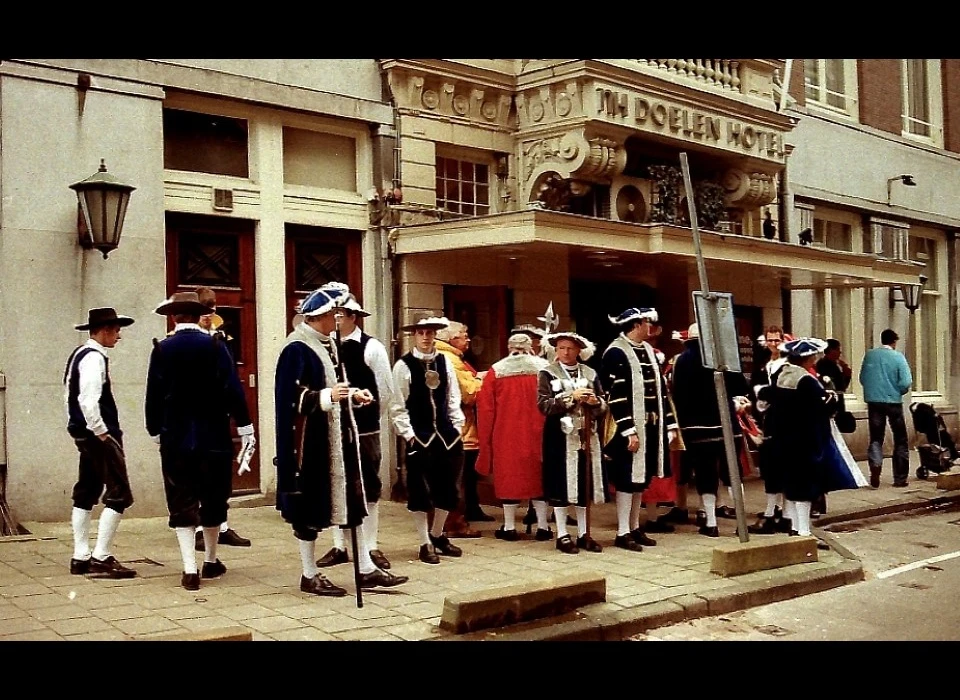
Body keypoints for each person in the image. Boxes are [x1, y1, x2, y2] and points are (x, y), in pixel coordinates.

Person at [274, 283, 407, 596]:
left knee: (352, 503)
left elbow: (334, 386)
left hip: (338, 437)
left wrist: (350, 394)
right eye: (335, 313)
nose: (339, 319)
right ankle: (309, 574)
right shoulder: (296, 347)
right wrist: (326, 396)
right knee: (309, 509)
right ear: (322, 315)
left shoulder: (327, 344)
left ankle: (365, 567)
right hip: (311, 445)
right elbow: (288, 397)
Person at [145, 291, 257, 591]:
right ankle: (209, 560)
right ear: (197, 316)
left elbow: (153, 396)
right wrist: (245, 427)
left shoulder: (161, 349)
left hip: (176, 437)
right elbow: (233, 389)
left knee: (181, 499)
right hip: (214, 436)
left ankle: (188, 568)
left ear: (174, 317)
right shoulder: (216, 346)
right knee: (213, 497)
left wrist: (154, 429)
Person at [315, 292, 406, 573]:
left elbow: (386, 391)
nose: (336, 319)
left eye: (341, 314)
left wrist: (366, 419)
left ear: (353, 317)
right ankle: (340, 545)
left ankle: (369, 544)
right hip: (333, 427)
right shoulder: (325, 346)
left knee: (367, 486)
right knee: (336, 484)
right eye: (334, 314)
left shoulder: (371, 348)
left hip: (364, 430)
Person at [64, 307, 138, 579]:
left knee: (87, 488)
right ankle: (101, 556)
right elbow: (87, 400)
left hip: (83, 433)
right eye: (117, 330)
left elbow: (70, 398)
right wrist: (102, 432)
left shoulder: (79, 354)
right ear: (104, 330)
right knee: (119, 493)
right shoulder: (94, 357)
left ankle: (80, 556)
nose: (119, 336)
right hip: (98, 434)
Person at [766, 338, 864, 537]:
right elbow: (819, 409)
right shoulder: (807, 380)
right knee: (805, 485)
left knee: (790, 483)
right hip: (805, 439)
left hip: (783, 438)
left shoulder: (780, 375)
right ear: (806, 358)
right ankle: (803, 530)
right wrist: (832, 399)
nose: (814, 359)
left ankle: (794, 527)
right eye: (812, 356)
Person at [601, 308, 679, 552]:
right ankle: (622, 531)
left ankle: (634, 527)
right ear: (635, 325)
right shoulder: (615, 352)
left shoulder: (646, 350)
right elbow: (615, 396)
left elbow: (661, 392)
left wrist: (670, 423)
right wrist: (628, 430)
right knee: (626, 479)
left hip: (651, 426)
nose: (651, 327)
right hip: (628, 428)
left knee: (639, 481)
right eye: (647, 322)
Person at [391, 314, 467, 564]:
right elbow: (397, 405)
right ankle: (424, 542)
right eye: (421, 332)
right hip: (420, 438)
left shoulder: (445, 362)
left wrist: (456, 427)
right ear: (414, 335)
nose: (425, 337)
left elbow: (453, 397)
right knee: (420, 492)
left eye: (430, 332)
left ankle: (437, 535)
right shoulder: (404, 365)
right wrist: (409, 435)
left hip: (447, 436)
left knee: (448, 489)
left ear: (435, 334)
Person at [191, 286, 252, 552]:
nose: (208, 315)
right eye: (203, 310)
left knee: (219, 476)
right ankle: (195, 528)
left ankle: (221, 526)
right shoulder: (186, 338)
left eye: (212, 309)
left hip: (217, 414)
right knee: (196, 475)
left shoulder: (220, 336)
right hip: (194, 416)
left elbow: (229, 377)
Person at [670, 323, 745, 538]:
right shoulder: (723, 357)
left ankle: (711, 522)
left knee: (705, 474)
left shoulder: (681, 360)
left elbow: (678, 395)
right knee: (733, 473)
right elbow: (739, 387)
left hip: (696, 427)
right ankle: (741, 523)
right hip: (727, 423)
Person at [476, 333, 552, 541]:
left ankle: (509, 526)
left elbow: (486, 409)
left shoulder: (496, 371)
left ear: (509, 347)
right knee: (540, 477)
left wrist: (486, 439)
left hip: (506, 434)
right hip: (540, 431)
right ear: (530, 347)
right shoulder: (544, 369)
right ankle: (543, 526)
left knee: (509, 477)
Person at [538, 331, 607, 554]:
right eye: (561, 348)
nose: (565, 353)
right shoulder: (547, 373)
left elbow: (603, 404)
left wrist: (596, 402)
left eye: (570, 348)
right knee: (560, 484)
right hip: (559, 437)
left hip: (587, 435)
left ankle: (584, 533)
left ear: (579, 350)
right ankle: (562, 534)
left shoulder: (590, 372)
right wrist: (570, 398)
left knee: (583, 483)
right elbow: (543, 405)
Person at [435, 320, 490, 533]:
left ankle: (469, 510)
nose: (468, 339)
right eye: (464, 335)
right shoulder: (450, 359)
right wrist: (485, 383)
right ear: (451, 338)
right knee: (458, 476)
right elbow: (469, 394)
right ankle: (455, 522)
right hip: (460, 428)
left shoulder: (450, 357)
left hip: (458, 427)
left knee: (465, 475)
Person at [749, 326, 792, 532]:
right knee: (770, 469)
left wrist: (765, 393)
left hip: (783, 422)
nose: (774, 344)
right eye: (770, 340)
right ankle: (775, 512)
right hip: (766, 420)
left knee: (781, 469)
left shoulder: (787, 365)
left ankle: (782, 514)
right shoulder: (763, 365)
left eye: (777, 340)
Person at [859, 328, 913, 488]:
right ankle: (900, 478)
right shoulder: (898, 357)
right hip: (893, 402)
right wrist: (898, 391)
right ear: (894, 342)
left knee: (876, 437)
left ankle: (875, 465)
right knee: (900, 439)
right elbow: (905, 382)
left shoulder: (870, 355)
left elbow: (862, 378)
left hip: (874, 402)